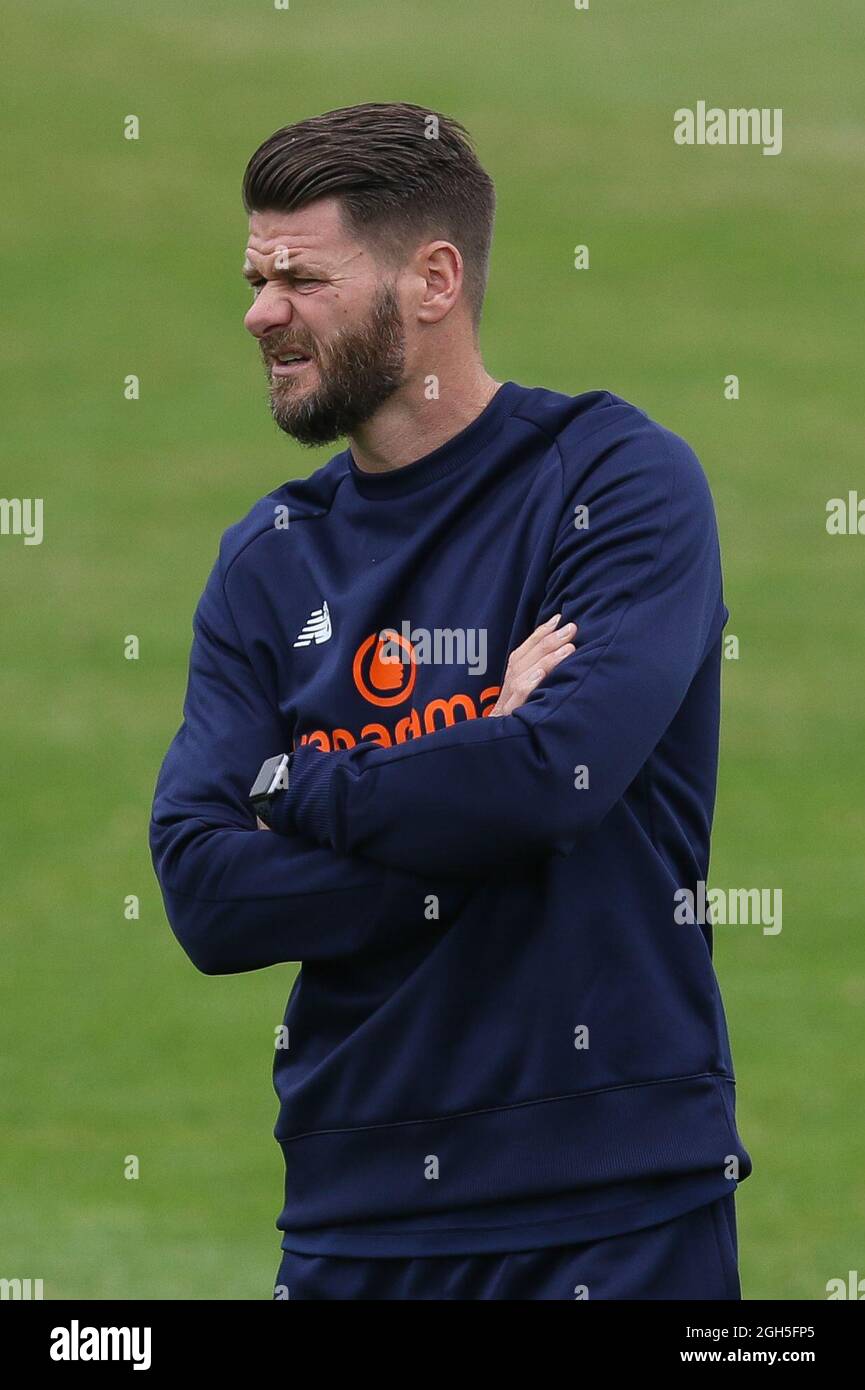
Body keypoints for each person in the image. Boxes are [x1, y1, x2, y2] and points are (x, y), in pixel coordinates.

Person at [150, 102, 751, 1300]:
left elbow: (554, 780)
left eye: (301, 277)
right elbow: (207, 894)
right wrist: (484, 755)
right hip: (351, 1214)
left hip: (612, 1209)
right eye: (256, 277)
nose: (261, 312)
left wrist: (295, 785)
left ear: (432, 280)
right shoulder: (269, 556)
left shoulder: (614, 482)